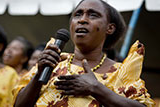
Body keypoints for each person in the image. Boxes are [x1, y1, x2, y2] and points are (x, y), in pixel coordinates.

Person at [13, 0, 155, 106]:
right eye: (78, 15)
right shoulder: (52, 63)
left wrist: (96, 88)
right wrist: (39, 74)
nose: (82, 20)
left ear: (109, 28)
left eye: (93, 15)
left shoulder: (121, 73)